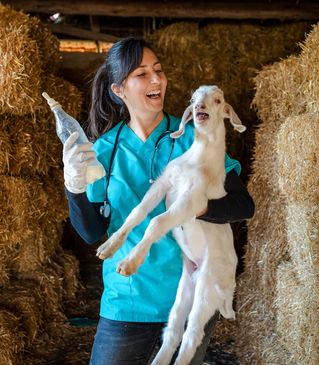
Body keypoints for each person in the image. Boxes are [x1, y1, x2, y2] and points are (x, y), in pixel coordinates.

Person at [63, 36, 255, 365]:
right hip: (127, 302)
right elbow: (93, 233)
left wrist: (202, 205)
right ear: (118, 90)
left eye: (159, 70)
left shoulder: (196, 140)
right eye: (142, 74)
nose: (157, 80)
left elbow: (243, 205)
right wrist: (74, 187)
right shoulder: (104, 151)